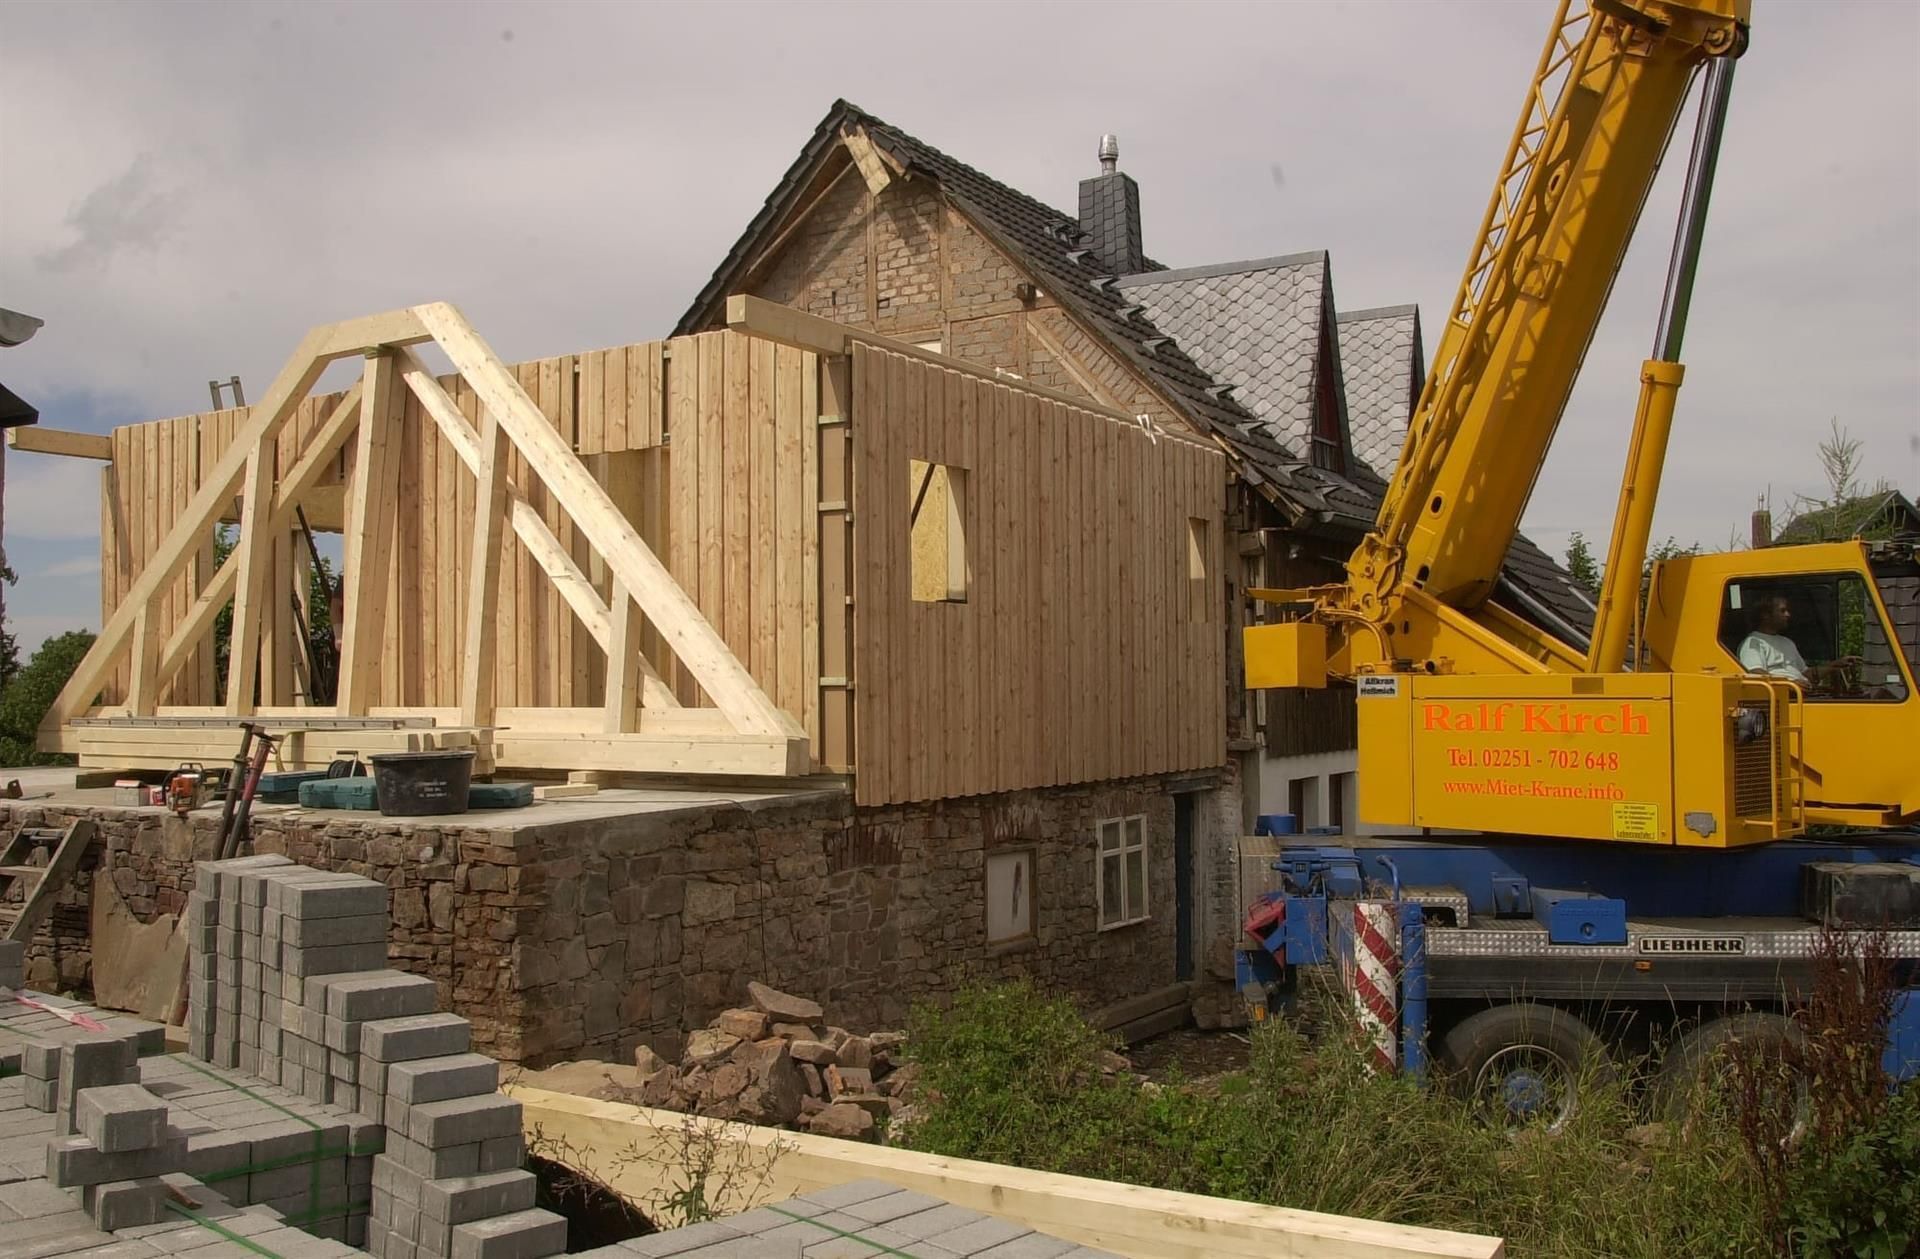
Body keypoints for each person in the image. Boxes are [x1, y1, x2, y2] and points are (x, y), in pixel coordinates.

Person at [1737, 593, 1855, 691]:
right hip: (1783, 701)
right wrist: (1790, 684)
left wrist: (1834, 665)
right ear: (1765, 615)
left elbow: (1807, 673)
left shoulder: (1787, 642)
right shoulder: (1753, 643)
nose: (1788, 615)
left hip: (1803, 694)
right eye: (1782, 611)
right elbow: (1756, 674)